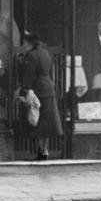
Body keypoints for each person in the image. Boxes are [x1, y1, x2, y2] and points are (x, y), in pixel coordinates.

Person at [16, 33, 62, 161]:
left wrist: (23, 93)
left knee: (35, 120)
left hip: (37, 90)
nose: (23, 46)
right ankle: (45, 150)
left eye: (24, 43)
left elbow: (28, 76)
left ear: (30, 44)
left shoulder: (30, 56)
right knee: (47, 122)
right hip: (48, 88)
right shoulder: (46, 53)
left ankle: (40, 150)